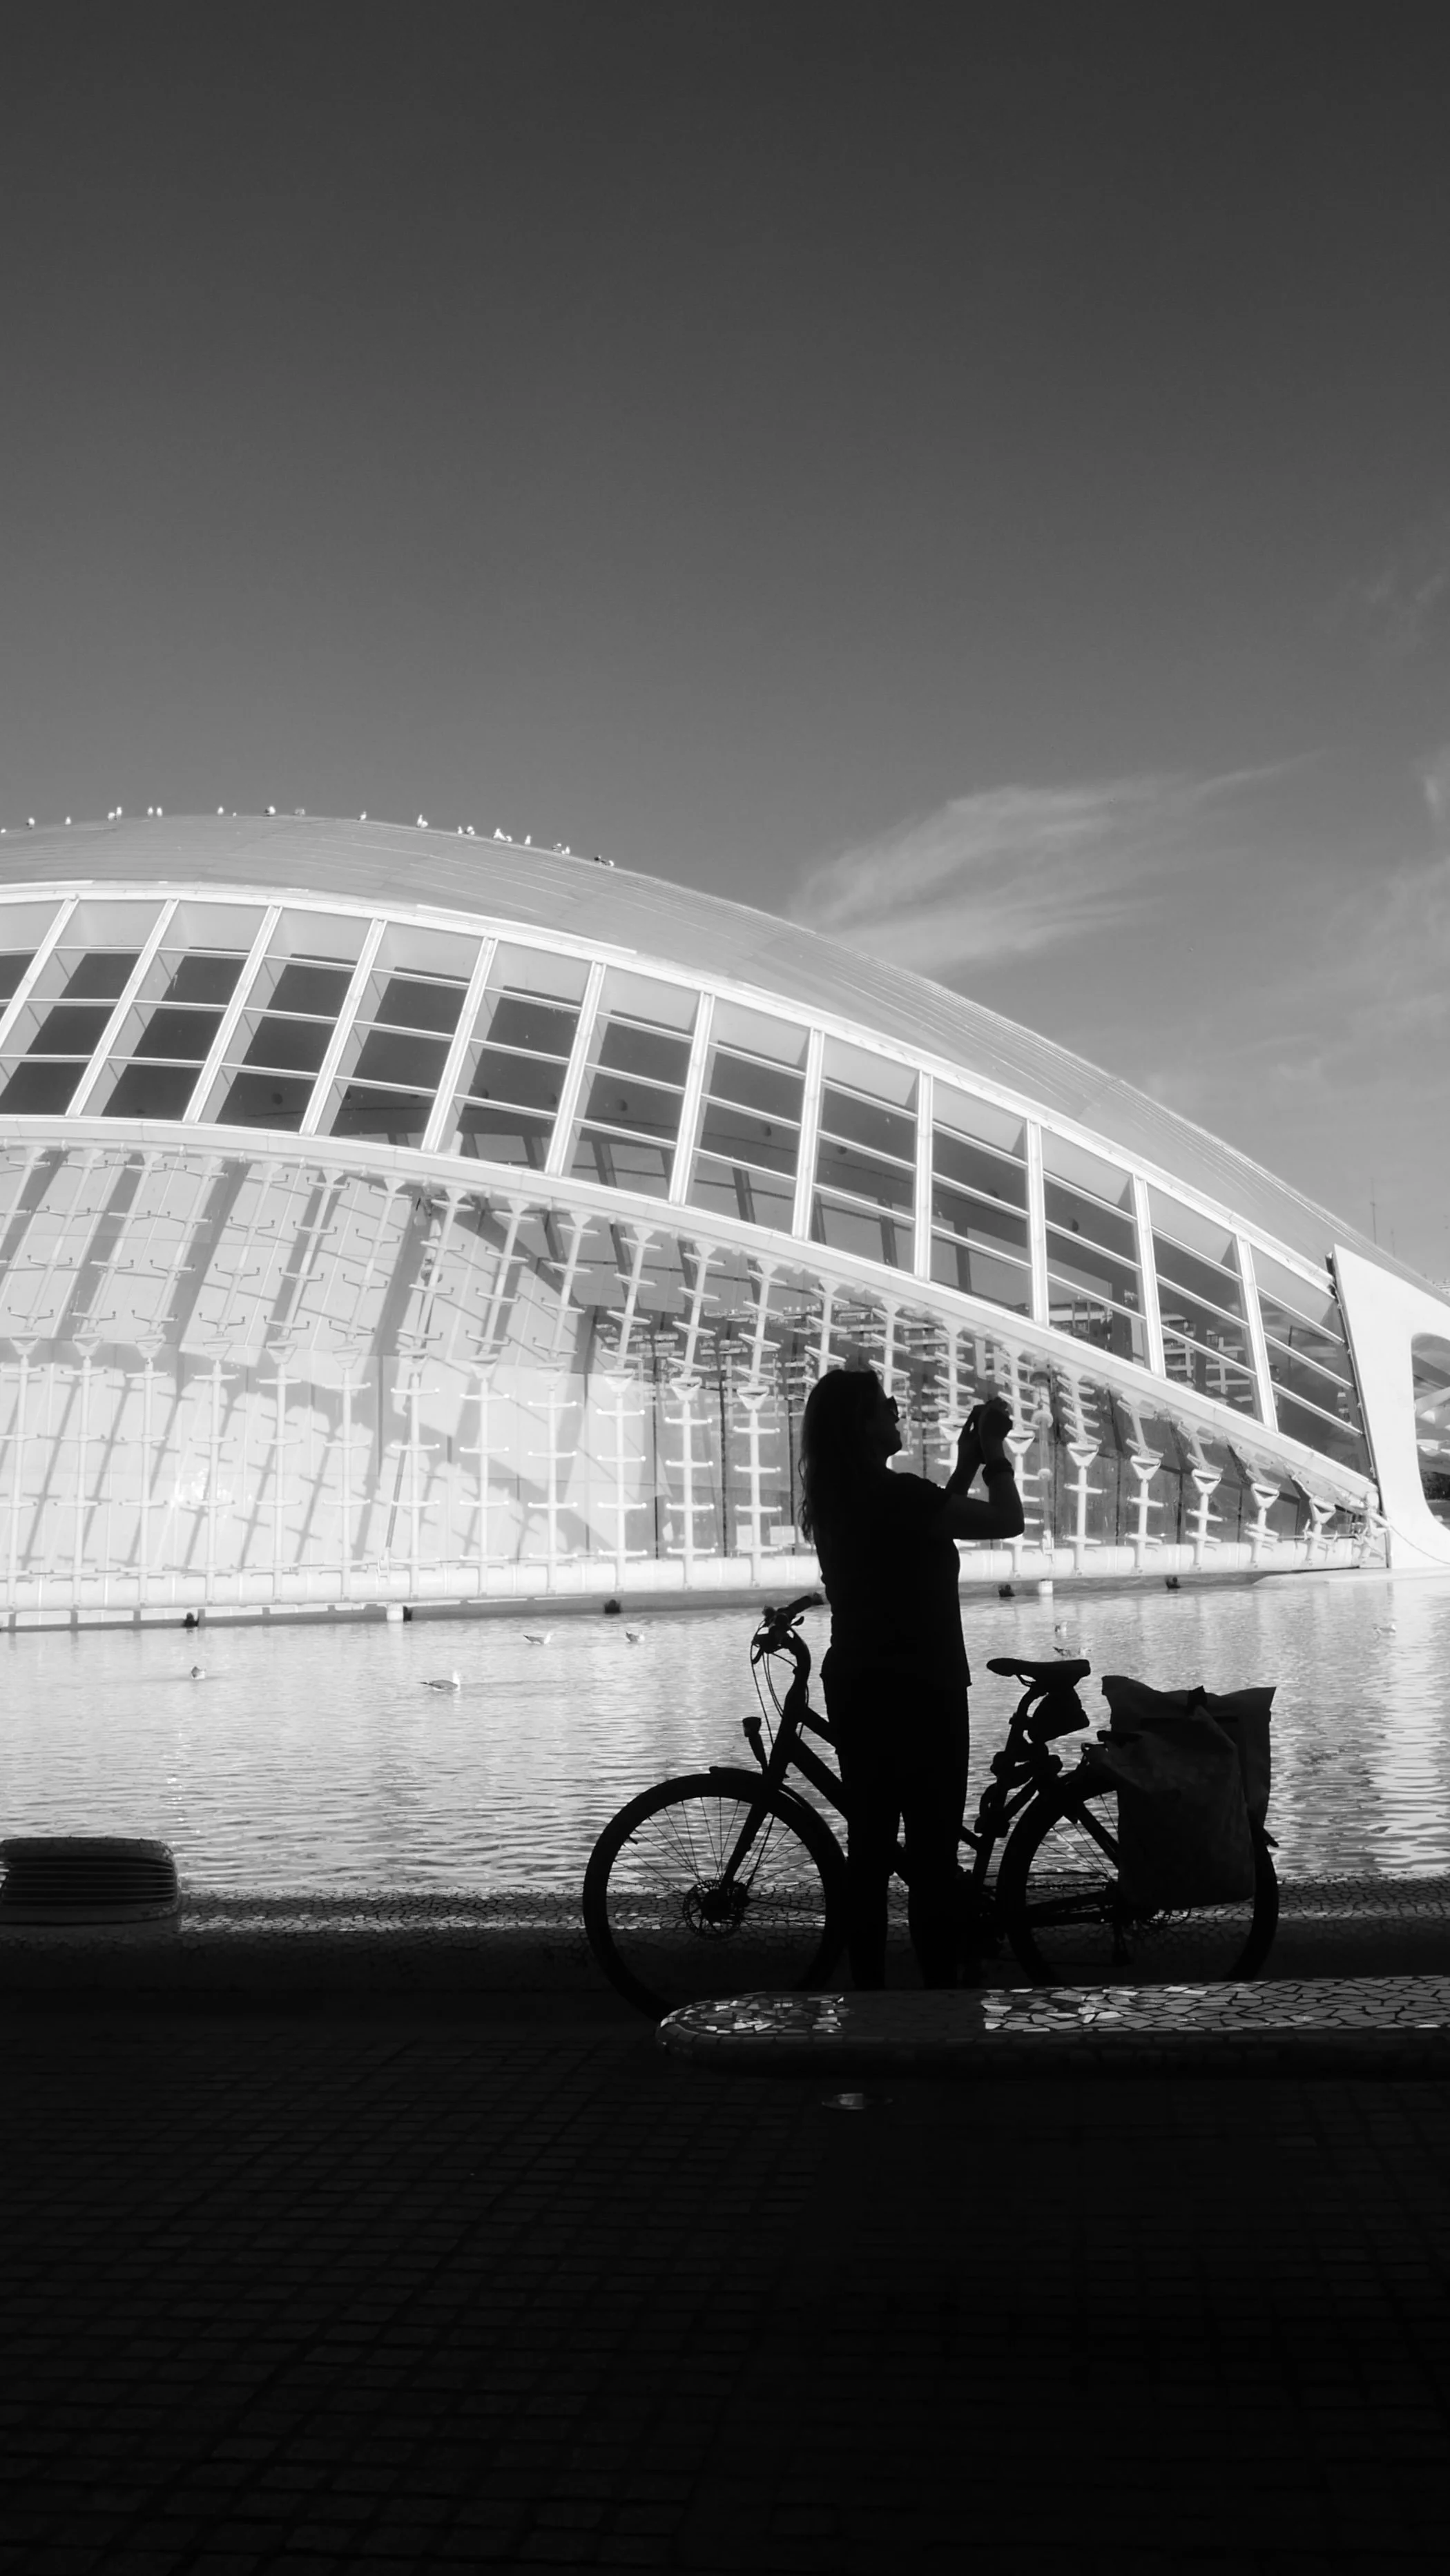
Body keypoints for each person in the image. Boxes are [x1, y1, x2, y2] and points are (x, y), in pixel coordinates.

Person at [798, 1367, 1024, 1989]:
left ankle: (869, 1996)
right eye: (886, 1406)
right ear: (863, 1426)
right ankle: (939, 1999)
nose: (898, 1411)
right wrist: (995, 1455)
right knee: (931, 1858)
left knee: (868, 1851)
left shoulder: (838, 1499)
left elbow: (929, 1523)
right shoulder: (896, 1495)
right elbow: (1007, 1520)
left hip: (860, 1685)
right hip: (925, 1688)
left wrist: (963, 1465)